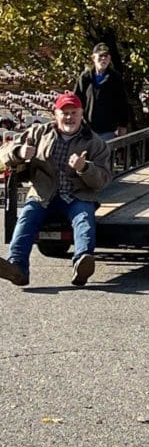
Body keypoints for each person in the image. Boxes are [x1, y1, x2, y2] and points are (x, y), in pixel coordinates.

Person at [0, 92, 112, 288]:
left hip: (77, 195)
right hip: (43, 194)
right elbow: (4, 152)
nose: (69, 117)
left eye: (73, 113)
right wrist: (19, 152)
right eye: (64, 112)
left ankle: (82, 262)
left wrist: (84, 168)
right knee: (27, 217)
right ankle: (17, 268)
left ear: (81, 114)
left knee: (84, 218)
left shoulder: (95, 143)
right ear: (56, 114)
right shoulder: (39, 133)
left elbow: (102, 180)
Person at [74, 43, 132, 140]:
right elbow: (77, 101)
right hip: (86, 128)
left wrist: (123, 125)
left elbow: (122, 103)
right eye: (100, 56)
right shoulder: (85, 77)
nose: (103, 59)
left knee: (104, 154)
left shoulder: (115, 78)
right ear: (93, 58)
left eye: (106, 56)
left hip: (107, 130)